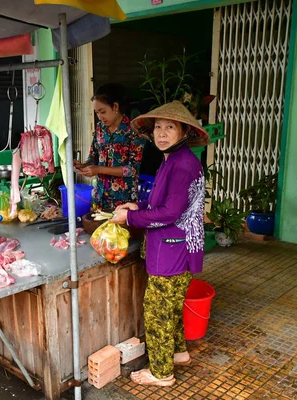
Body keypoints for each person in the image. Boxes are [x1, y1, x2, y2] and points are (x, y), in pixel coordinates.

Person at [111, 101, 208, 387]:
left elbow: (170, 213)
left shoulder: (182, 165)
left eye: (170, 127)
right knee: (171, 306)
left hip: (174, 249)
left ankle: (161, 372)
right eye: (158, 127)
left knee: (158, 313)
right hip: (175, 247)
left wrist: (130, 217)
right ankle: (177, 352)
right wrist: (137, 205)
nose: (162, 133)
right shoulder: (175, 159)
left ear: (184, 132)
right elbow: (161, 202)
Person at [73, 83, 146, 211]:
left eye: (103, 112)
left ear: (115, 106)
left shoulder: (133, 130)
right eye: (97, 113)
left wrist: (99, 169)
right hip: (99, 197)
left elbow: (132, 170)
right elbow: (93, 156)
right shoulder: (100, 128)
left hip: (123, 200)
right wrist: (84, 165)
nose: (100, 117)